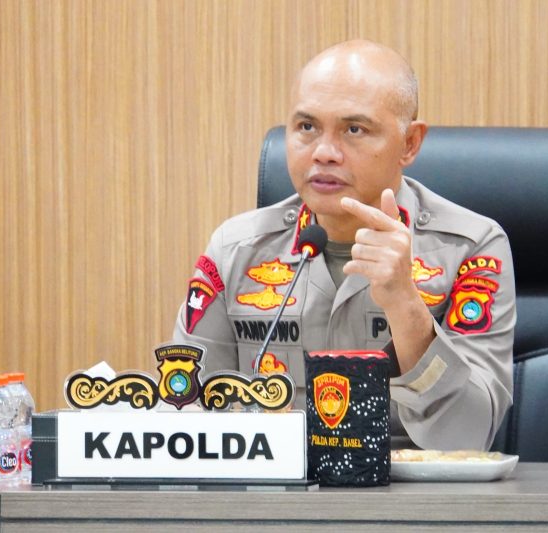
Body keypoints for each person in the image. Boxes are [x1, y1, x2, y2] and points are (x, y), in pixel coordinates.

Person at [173, 40, 515, 451]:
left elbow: (469, 437)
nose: (324, 153)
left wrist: (405, 306)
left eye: (354, 130)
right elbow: (184, 409)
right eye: (306, 127)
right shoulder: (236, 251)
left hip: (407, 488)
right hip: (274, 486)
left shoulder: (470, 249)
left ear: (409, 143)